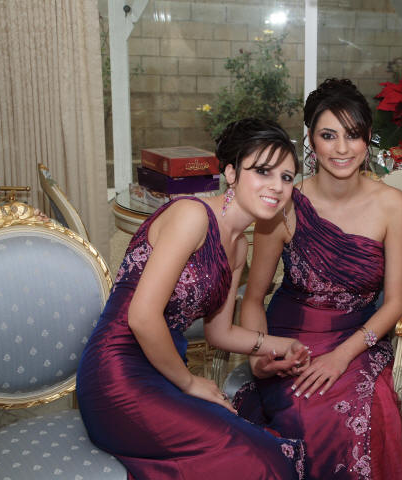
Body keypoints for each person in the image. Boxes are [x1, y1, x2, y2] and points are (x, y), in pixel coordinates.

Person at [77, 118, 310, 480]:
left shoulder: (237, 249)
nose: (277, 186)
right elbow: (142, 317)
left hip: (166, 368)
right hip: (117, 374)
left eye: (287, 176)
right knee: (255, 459)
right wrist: (188, 382)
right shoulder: (192, 216)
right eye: (263, 171)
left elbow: (220, 333)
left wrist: (282, 345)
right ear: (231, 173)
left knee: (260, 449)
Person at [237, 78, 402, 479]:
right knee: (304, 415)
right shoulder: (283, 203)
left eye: (353, 135)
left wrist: (342, 355)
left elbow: (395, 303)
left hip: (357, 340)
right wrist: (259, 356)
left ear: (368, 138)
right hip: (290, 341)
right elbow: (253, 298)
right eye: (329, 135)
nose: (342, 148)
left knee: (362, 413)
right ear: (311, 140)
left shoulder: (392, 205)